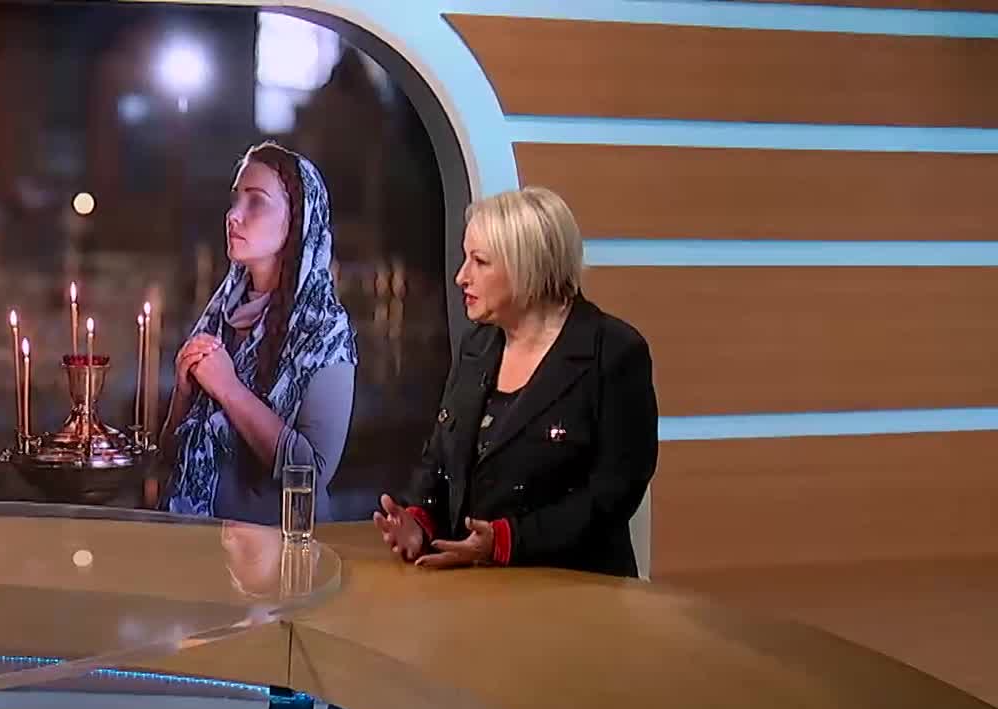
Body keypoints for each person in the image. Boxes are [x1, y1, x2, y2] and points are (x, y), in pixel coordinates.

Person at [375, 187, 657, 577]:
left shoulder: (613, 352)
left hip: (577, 590)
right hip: (474, 589)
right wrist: (419, 521)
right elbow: (440, 459)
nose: (461, 277)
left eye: (480, 262)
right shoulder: (477, 345)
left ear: (528, 267)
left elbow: (613, 493)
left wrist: (507, 541)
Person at [159, 142, 357, 524]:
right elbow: (170, 456)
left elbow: (312, 475)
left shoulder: (324, 329)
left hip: (279, 549)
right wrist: (183, 392)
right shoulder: (220, 315)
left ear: (297, 221)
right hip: (195, 541)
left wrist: (228, 389)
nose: (234, 215)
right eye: (235, 199)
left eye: (256, 202)